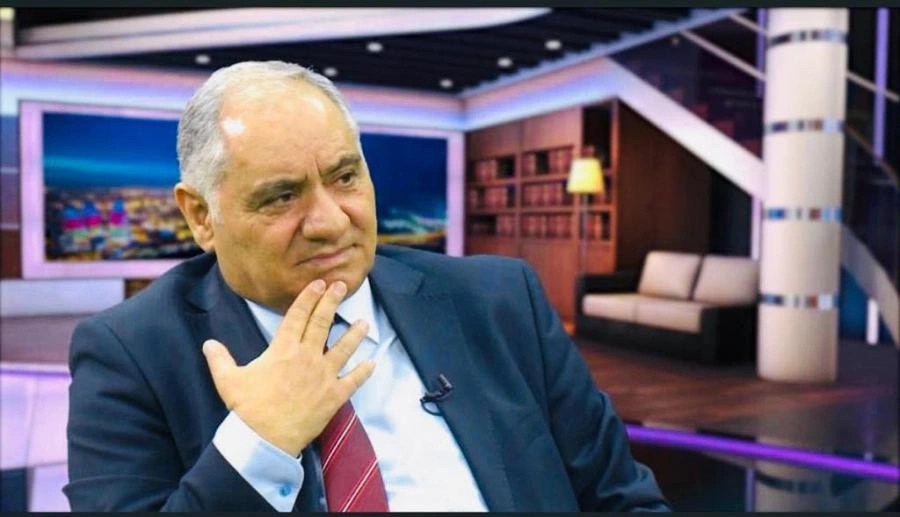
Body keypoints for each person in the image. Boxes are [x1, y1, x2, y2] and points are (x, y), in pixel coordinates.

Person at [65, 61, 670, 512]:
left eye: (345, 177)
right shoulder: (130, 353)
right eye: (282, 196)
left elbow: (624, 500)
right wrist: (259, 443)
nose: (331, 221)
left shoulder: (501, 300)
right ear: (201, 216)